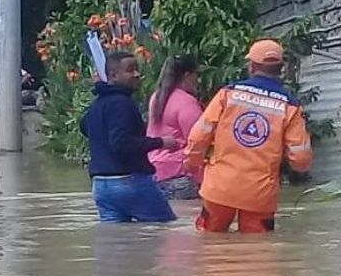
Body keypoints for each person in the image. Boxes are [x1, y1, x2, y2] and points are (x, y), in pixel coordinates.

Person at [186, 39, 313, 233]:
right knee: (258, 252)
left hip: (220, 187)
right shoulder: (291, 106)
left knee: (209, 245)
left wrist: (192, 162)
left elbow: (199, 135)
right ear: (280, 68)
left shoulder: (227, 94)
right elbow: (301, 158)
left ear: (252, 66)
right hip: (259, 193)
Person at [80, 51, 180, 223]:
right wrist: (161, 142)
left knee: (118, 243)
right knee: (164, 231)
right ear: (113, 75)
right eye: (130, 70)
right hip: (128, 180)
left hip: (101, 186)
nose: (137, 74)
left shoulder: (97, 104)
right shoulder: (122, 103)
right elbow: (121, 143)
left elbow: (84, 126)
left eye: (137, 69)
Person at [146, 55, 204, 199]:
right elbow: (198, 141)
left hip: (154, 173)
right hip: (180, 175)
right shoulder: (187, 103)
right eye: (197, 75)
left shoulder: (157, 97)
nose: (198, 80)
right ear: (187, 75)